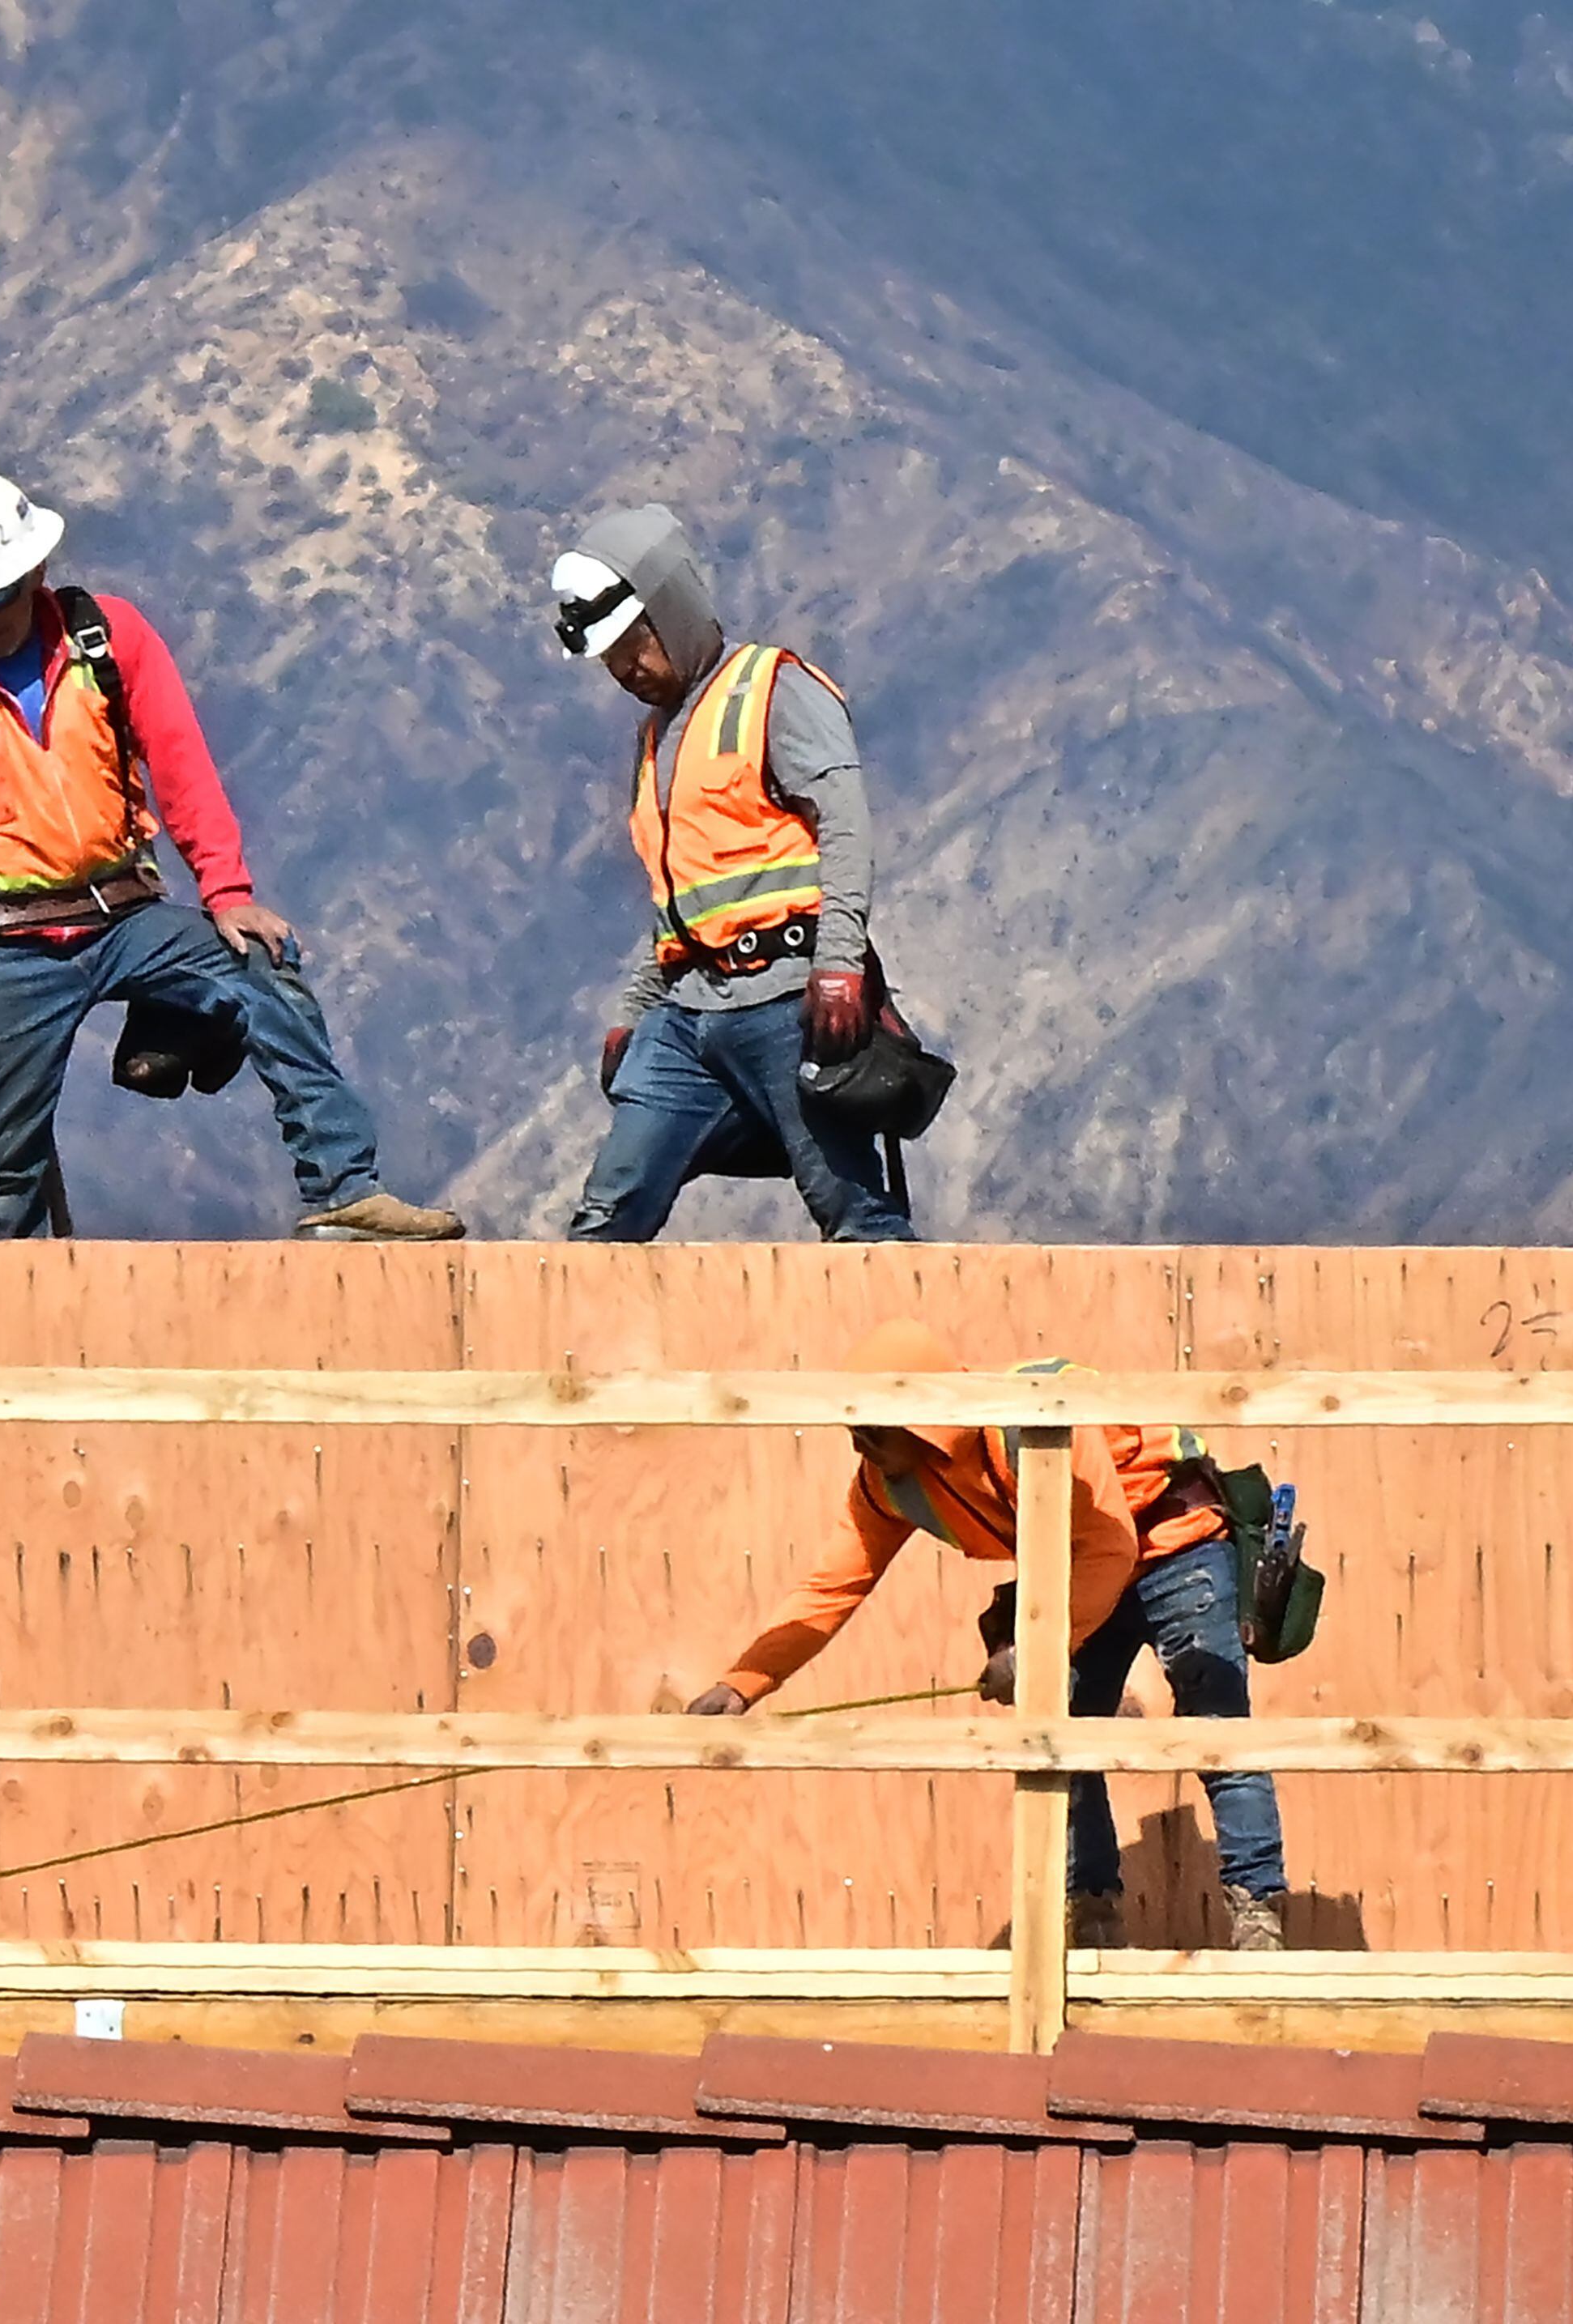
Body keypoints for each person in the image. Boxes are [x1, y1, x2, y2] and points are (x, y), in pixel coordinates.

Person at [0, 469, 463, 1243]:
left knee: (263, 969)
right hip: (5, 946)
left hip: (124, 917)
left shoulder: (105, 640)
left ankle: (345, 1190)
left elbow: (182, 765)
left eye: (1, 594)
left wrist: (227, 891)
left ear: (37, 573)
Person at [680, 1319, 1289, 1951]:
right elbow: (831, 1587)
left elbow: (1110, 1545)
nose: (859, 1445)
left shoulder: (1034, 1421)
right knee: (1058, 1734)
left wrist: (1035, 1650)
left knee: (1216, 1722)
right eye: (853, 1429)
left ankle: (1256, 1920)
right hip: (1079, 1568)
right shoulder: (889, 1485)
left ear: (922, 1422)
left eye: (872, 1430)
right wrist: (743, 1684)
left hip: (1175, 1547)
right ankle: (1094, 1924)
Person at [548, 506, 913, 1242]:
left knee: (851, 1210)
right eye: (610, 660)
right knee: (609, 1215)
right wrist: (634, 1012)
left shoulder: (773, 689)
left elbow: (845, 824)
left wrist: (839, 967)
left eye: (631, 647)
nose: (624, 671)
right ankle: (565, 1354)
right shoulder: (656, 744)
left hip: (787, 1003)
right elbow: (680, 903)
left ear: (669, 611)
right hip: (688, 1015)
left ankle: (911, 1351)